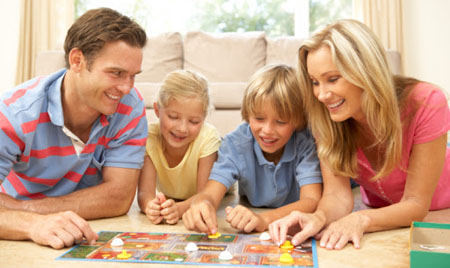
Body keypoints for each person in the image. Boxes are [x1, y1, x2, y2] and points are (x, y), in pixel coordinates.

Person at [269, 19, 450, 250]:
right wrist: (319, 217)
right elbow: (337, 196)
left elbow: (416, 204)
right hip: (383, 214)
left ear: (365, 71)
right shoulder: (327, 119)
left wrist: (359, 219)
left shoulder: (426, 102)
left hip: (440, 211)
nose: (321, 95)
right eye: (315, 82)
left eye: (332, 79)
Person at [0, 8, 147, 249]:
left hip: (83, 232)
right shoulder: (15, 113)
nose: (126, 88)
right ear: (77, 60)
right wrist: (32, 223)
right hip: (20, 235)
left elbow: (119, 197)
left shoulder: (129, 108)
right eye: (116, 73)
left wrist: (25, 208)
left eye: (133, 76)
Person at [182, 64, 323, 235]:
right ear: (248, 114)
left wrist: (264, 219)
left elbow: (312, 200)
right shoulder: (235, 144)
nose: (268, 130)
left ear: (298, 121)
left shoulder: (306, 142)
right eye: (259, 118)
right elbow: (210, 194)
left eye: (281, 122)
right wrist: (201, 204)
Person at [137, 70, 221, 225]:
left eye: (194, 121)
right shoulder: (149, 137)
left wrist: (180, 208)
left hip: (218, 198)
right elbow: (144, 193)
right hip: (174, 199)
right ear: (157, 110)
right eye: (173, 117)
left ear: (203, 119)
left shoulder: (208, 138)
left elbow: (205, 195)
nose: (182, 128)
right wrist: (151, 206)